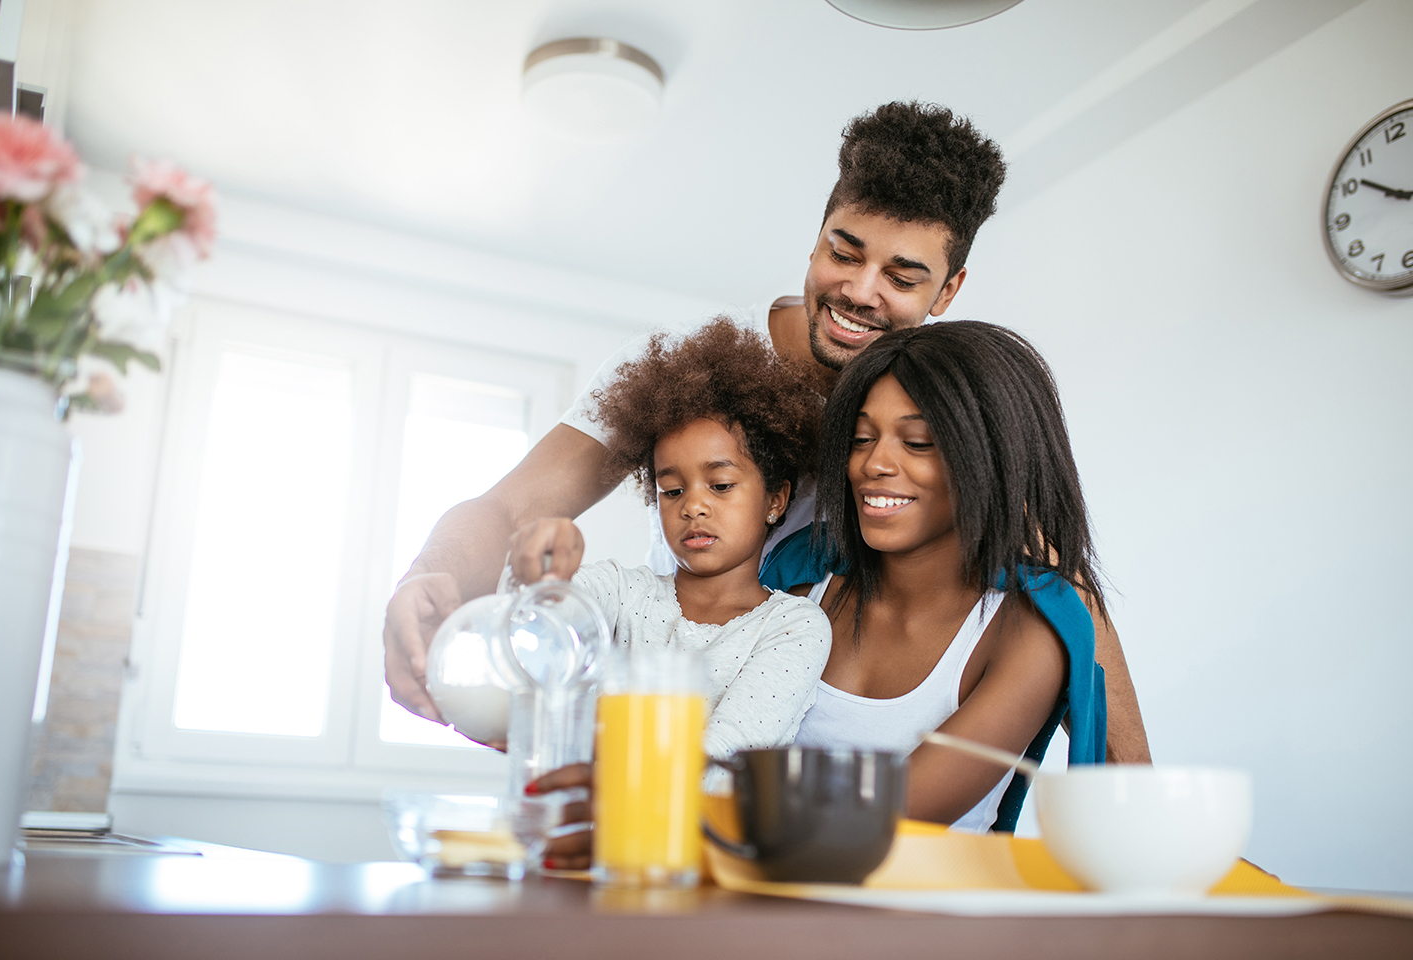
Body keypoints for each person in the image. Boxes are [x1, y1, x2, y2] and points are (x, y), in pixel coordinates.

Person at [384, 102, 1151, 862]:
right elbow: (513, 507)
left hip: (729, 806)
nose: (859, 291)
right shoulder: (684, 369)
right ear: (817, 235)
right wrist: (434, 576)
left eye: (902, 275)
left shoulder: (947, 422)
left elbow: (1066, 599)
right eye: (842, 253)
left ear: (946, 293)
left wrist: (1145, 825)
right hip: (668, 745)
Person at [767, 321, 1108, 832]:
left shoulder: (1025, 634)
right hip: (754, 896)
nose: (875, 463)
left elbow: (889, 818)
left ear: (994, 457)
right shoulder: (799, 577)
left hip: (918, 909)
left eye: (919, 442)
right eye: (861, 437)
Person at [504, 319, 831, 759]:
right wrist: (539, 572)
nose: (692, 506)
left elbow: (723, 756)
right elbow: (534, 616)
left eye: (720, 485)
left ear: (775, 499)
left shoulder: (794, 627)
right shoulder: (621, 594)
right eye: (672, 490)